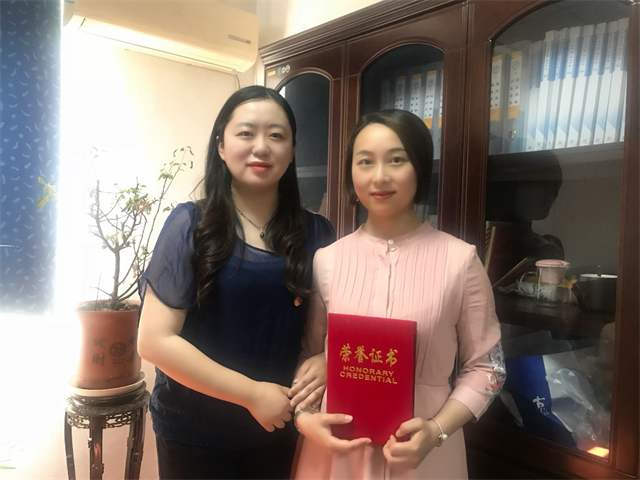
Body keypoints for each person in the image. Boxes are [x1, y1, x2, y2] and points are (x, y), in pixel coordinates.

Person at [293, 110, 505, 480]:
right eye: (365, 162)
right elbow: (309, 359)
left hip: (425, 456)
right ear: (351, 172)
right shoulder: (327, 260)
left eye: (396, 159)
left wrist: (436, 431)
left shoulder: (460, 261)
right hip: (336, 452)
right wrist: (304, 418)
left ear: (419, 167)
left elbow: (489, 367)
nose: (380, 176)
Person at [137, 86, 335, 480]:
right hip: (195, 434)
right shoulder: (191, 225)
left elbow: (336, 324)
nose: (261, 146)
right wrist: (251, 394)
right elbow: (155, 341)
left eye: (276, 135)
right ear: (221, 146)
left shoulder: (317, 232)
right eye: (246, 133)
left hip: (281, 427)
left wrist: (329, 358)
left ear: (292, 150)